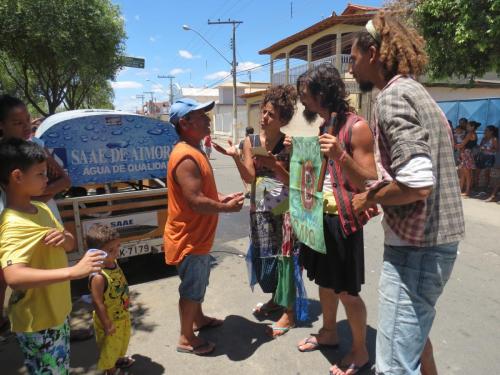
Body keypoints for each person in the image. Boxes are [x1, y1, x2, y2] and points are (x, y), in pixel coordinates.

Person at [350, 12, 465, 375]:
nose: (351, 70)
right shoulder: (418, 92)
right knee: (414, 340)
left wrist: (369, 198)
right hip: (435, 245)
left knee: (393, 366)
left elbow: (417, 183)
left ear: (372, 53)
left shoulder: (393, 96)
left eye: (352, 59)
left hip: (416, 253)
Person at [285, 64, 377, 375]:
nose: (303, 102)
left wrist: (341, 155)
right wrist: (298, 150)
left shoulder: (357, 127)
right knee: (324, 282)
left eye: (306, 96)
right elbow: (316, 174)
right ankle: (329, 332)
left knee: (347, 291)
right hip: (318, 218)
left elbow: (370, 182)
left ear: (322, 93)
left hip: (342, 222)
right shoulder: (324, 125)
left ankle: (360, 351)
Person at [0, 138, 104, 374]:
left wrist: (65, 239)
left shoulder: (42, 208)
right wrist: (74, 271)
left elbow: (69, 242)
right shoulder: (14, 223)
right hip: (39, 322)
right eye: (40, 174)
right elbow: (14, 276)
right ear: (17, 176)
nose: (47, 179)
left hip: (56, 313)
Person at [214, 85, 302, 337]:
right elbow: (250, 178)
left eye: (270, 115)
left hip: (286, 213)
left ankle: (290, 313)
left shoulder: (290, 144)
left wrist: (275, 166)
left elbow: (295, 183)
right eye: (263, 112)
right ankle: (276, 299)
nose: (263, 118)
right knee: (267, 257)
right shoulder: (250, 142)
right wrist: (235, 157)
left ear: (283, 120)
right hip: (260, 210)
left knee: (287, 259)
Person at [164, 98, 244, 355]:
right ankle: (186, 338)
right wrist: (226, 209)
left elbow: (203, 192)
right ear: (185, 123)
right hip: (190, 237)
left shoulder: (193, 149)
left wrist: (221, 198)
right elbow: (196, 202)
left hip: (197, 236)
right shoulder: (186, 156)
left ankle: (198, 320)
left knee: (197, 285)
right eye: (201, 116)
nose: (208, 120)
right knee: (191, 289)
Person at [87, 223, 134, 375]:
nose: (116, 252)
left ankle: (118, 360)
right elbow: (97, 302)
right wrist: (107, 323)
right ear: (95, 252)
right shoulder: (99, 276)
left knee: (120, 343)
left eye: (117, 247)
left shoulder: (113, 262)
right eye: (110, 250)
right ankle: (112, 371)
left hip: (121, 315)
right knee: (109, 348)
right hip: (110, 320)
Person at [456, 121, 479, 196]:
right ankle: (461, 190)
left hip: (467, 154)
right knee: (463, 173)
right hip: (466, 154)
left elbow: (462, 144)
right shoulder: (472, 133)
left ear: (472, 127)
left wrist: (453, 144)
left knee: (467, 174)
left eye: (468, 126)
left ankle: (467, 191)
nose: (466, 127)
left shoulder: (470, 134)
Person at [474, 125, 498, 190]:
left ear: (491, 132)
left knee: (486, 173)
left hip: (489, 157)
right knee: (477, 172)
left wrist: (487, 149)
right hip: (482, 156)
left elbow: (496, 149)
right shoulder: (484, 138)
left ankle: (486, 187)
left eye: (486, 130)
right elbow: (480, 146)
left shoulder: (494, 139)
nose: (485, 131)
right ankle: (476, 186)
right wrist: (479, 147)